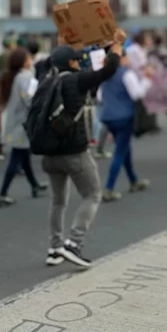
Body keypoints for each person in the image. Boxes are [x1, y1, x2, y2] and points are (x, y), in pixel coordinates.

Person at [42, 32, 125, 269]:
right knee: (93, 194)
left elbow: (95, 72)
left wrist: (64, 45)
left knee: (58, 201)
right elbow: (106, 71)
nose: (80, 63)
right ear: (71, 63)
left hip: (49, 153)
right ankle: (73, 244)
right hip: (74, 152)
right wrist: (116, 47)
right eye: (77, 60)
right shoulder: (75, 81)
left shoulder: (46, 79)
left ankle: (54, 248)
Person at [98, 50, 152, 202]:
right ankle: (109, 187)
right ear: (120, 58)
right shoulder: (126, 74)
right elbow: (137, 94)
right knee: (121, 151)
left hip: (108, 116)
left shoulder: (104, 74)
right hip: (124, 116)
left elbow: (100, 97)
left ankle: (134, 180)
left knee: (124, 147)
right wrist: (147, 80)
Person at [0, 48, 47, 207]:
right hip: (23, 123)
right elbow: (30, 99)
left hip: (15, 122)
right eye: (28, 58)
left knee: (23, 156)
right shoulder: (26, 77)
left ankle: (34, 185)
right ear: (24, 61)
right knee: (17, 157)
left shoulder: (13, 76)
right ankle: (3, 193)